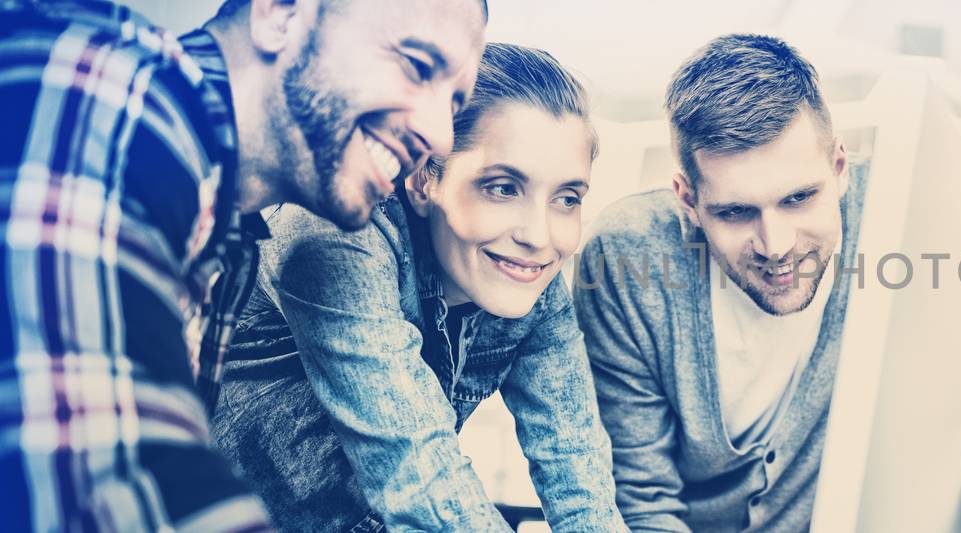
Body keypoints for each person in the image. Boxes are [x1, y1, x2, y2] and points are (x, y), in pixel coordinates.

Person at [0, 0, 484, 530]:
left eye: (454, 106)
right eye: (416, 65)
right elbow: (103, 483)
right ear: (279, 14)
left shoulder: (229, 244)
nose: (441, 136)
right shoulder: (107, 93)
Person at [210, 43, 625, 532]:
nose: (539, 236)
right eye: (502, 187)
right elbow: (418, 475)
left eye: (567, 198)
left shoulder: (531, 279)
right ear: (425, 178)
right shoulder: (334, 233)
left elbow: (579, 472)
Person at [575, 33, 867, 532]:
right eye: (736, 212)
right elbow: (641, 499)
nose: (776, 245)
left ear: (839, 168)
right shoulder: (624, 260)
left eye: (798, 198)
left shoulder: (900, 221)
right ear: (686, 199)